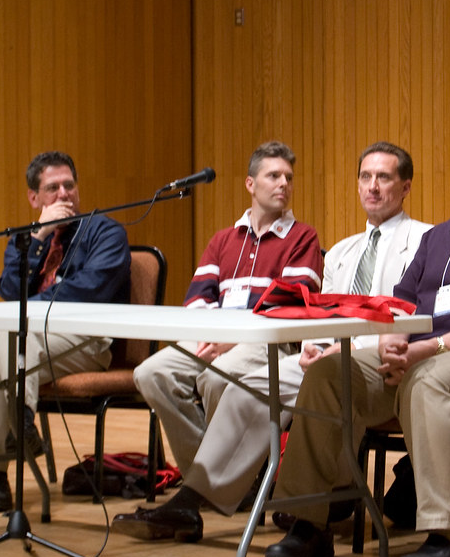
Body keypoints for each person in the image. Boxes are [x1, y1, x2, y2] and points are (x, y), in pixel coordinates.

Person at [264, 125, 450, 557]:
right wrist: (392, 344)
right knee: (331, 374)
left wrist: (431, 348)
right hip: (422, 359)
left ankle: (446, 537)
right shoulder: (437, 238)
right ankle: (308, 523)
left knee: (429, 380)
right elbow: (399, 306)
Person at [112, 141, 431, 542]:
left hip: (380, 360)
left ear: (405, 187)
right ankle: (196, 499)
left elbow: (412, 314)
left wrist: (344, 348)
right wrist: (315, 345)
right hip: (323, 356)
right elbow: (322, 313)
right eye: (365, 177)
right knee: (245, 388)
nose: (372, 187)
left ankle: (215, 501)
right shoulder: (342, 252)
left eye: (383, 178)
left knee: (242, 377)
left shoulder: (426, 240)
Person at [125, 140, 322, 506]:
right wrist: (216, 336)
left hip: (269, 341)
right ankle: (218, 481)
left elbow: (292, 304)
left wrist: (231, 340)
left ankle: (213, 486)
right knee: (151, 373)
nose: (283, 184)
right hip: (215, 336)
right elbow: (198, 299)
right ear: (250, 184)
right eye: (274, 175)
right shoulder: (223, 240)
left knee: (217, 376)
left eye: (289, 178)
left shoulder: (302, 237)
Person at [0, 151, 131, 512]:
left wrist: (34, 303)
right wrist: (40, 236)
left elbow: (92, 289)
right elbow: (10, 291)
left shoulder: (105, 232)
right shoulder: (26, 239)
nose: (64, 195)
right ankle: (19, 428)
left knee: (6, 336)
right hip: (32, 343)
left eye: (69, 186)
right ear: (34, 198)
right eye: (52, 188)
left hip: (86, 342)